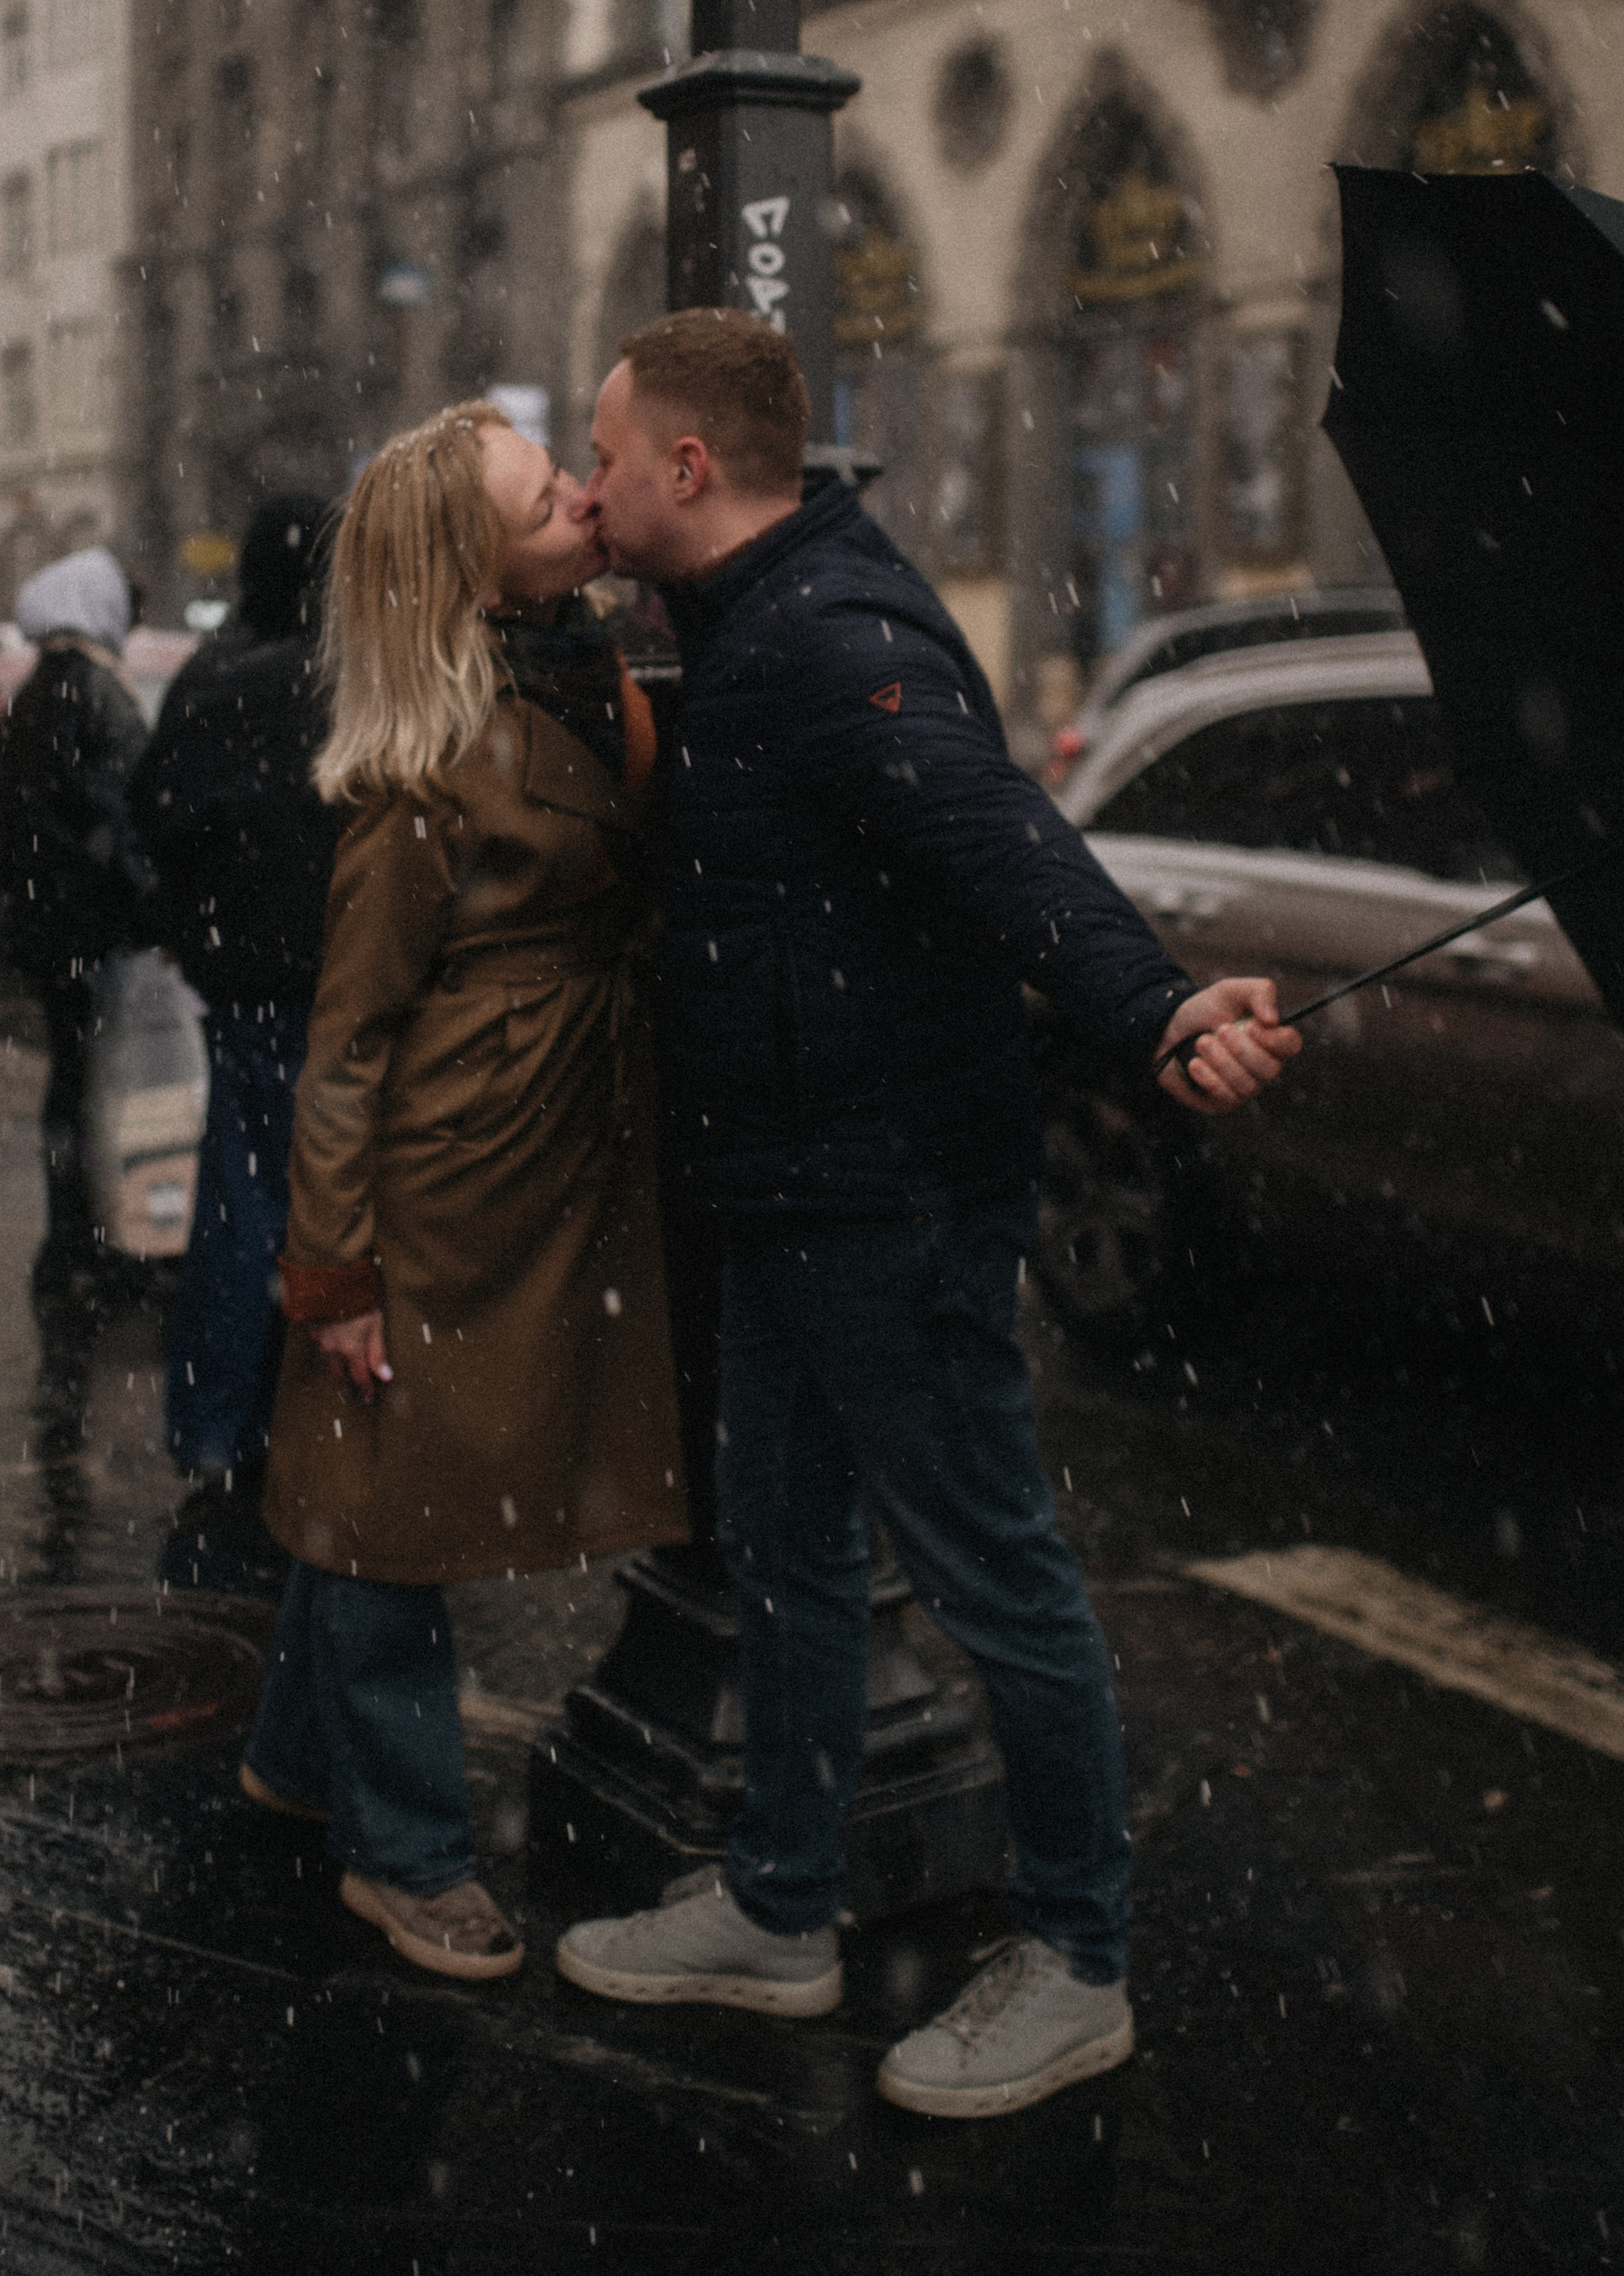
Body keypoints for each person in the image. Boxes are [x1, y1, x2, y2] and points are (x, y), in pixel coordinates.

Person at [554, 311, 1300, 2119]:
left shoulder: (828, 634)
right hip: (792, 1186)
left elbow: (997, 841)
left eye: (602, 454)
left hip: (887, 1195)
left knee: (994, 1574)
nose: (585, 486)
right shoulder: (752, 620)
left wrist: (1154, 1008)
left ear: (684, 466)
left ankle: (1078, 1959)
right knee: (788, 1555)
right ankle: (779, 1906)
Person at [247, 401, 684, 1982]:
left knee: (372, 1484)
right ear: (475, 575)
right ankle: (408, 1856)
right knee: (391, 1513)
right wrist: (335, 1274)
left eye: (564, 476)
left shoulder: (580, 662)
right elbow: (346, 1048)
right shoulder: (422, 770)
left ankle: (295, 1759)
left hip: (549, 1140)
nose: (582, 502)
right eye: (546, 501)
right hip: (448, 1180)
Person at [131, 496, 336, 1536]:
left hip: (242, 984)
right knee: (322, 1213)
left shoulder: (211, 677)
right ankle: (291, 1426)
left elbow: (155, 817)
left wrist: (191, 928)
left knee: (237, 1205)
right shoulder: (338, 682)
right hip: (331, 985)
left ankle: (217, 1426)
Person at [0, 546, 159, 1303]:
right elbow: (123, 813)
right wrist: (149, 904)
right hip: (92, 927)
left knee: (70, 1081)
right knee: (96, 1085)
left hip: (49, 925)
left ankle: (69, 1239)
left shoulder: (34, 693)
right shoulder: (94, 691)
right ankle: (95, 1241)